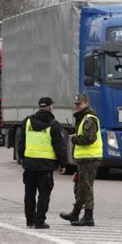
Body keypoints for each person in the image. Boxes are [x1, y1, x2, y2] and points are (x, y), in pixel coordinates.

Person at [17, 97, 67, 229]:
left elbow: (20, 142)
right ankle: (39, 221)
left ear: (39, 107)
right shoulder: (53, 124)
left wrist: (22, 158)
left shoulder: (27, 121)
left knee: (29, 193)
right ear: (50, 107)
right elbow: (60, 146)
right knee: (44, 194)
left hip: (30, 164)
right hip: (46, 166)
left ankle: (30, 221)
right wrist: (63, 164)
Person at [60, 94, 102, 227]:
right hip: (84, 158)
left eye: (80, 104)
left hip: (89, 158)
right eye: (76, 104)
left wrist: (74, 139)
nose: (77, 106)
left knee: (86, 187)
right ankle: (75, 212)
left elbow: (90, 138)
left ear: (86, 103)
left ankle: (88, 216)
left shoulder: (89, 119)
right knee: (79, 186)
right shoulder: (83, 118)